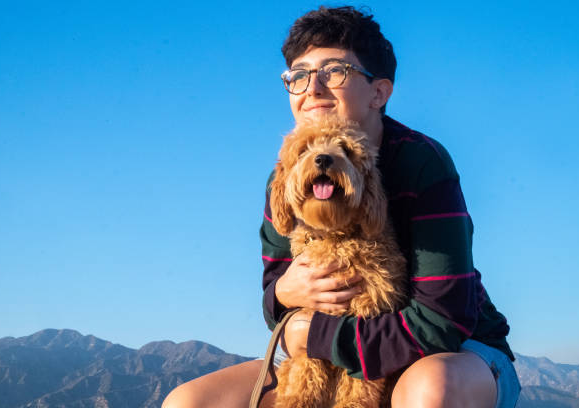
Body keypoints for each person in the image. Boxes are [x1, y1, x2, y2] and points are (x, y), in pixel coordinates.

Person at [163, 6, 520, 408]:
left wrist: (309, 334)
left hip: (451, 351)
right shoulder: (289, 174)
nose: (312, 88)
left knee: (430, 390)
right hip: (327, 354)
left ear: (379, 92)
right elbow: (276, 300)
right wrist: (283, 291)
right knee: (187, 402)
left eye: (335, 72)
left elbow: (443, 322)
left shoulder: (423, 162)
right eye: (298, 77)